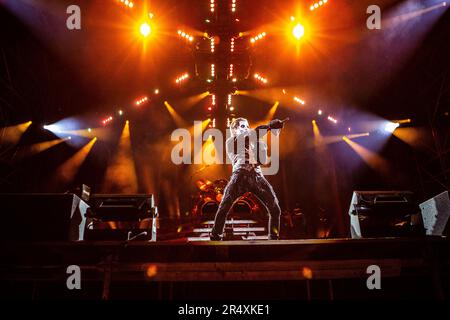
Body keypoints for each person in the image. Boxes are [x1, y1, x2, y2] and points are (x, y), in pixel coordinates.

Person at [210, 117, 285, 241]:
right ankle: (215, 235)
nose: (246, 128)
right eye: (242, 126)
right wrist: (269, 126)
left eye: (247, 126)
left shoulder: (254, 142)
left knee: (275, 208)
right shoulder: (232, 140)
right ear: (234, 130)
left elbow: (263, 160)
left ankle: (273, 238)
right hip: (240, 175)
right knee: (224, 206)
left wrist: (262, 146)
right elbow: (253, 133)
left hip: (257, 176)